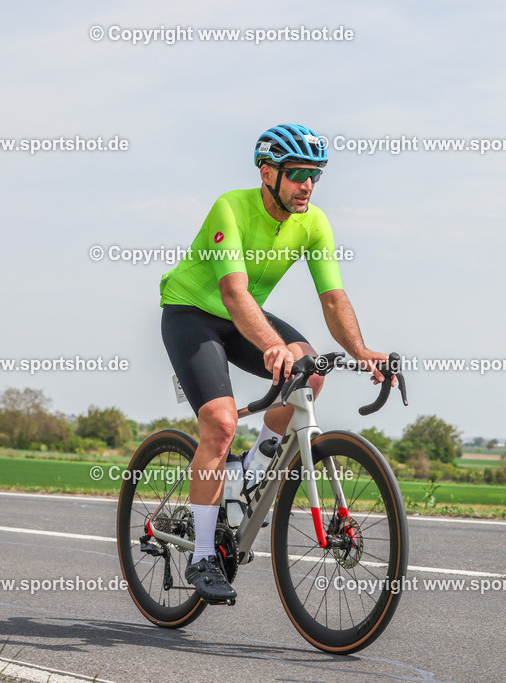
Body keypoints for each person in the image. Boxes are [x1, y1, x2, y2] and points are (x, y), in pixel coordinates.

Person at [159, 124, 393, 603]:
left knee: (312, 370)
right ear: (268, 173)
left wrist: (363, 351)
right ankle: (203, 554)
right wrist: (271, 344)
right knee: (221, 425)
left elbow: (332, 297)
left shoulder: (313, 223)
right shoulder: (232, 206)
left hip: (243, 318)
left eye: (316, 175)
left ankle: (257, 461)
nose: (308, 184)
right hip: (192, 315)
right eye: (299, 174)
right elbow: (233, 292)